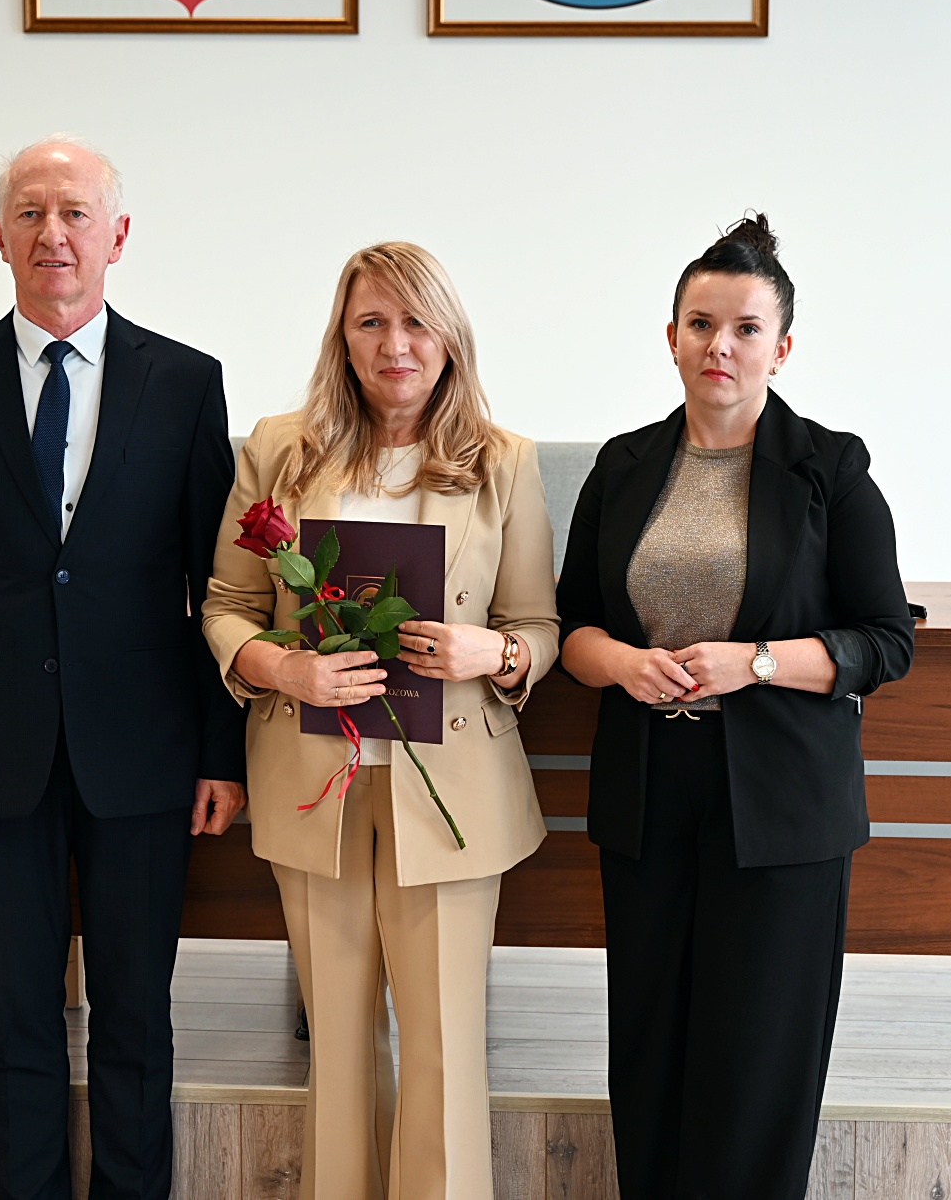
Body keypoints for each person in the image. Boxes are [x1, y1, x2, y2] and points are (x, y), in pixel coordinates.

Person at [0, 134, 247, 1200]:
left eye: (75, 212)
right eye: (30, 213)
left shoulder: (184, 383)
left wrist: (220, 753)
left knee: (136, 1015)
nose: (53, 234)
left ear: (116, 235)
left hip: (145, 755)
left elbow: (219, 590)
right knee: (15, 1015)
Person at [556, 214, 914, 1199]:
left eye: (746, 328)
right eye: (701, 323)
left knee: (755, 1062)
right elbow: (572, 625)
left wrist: (751, 662)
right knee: (650, 1053)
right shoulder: (623, 465)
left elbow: (883, 641)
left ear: (781, 347)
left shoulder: (830, 467)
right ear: (670, 337)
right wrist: (622, 663)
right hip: (647, 791)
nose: (720, 344)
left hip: (779, 800)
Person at [201, 242, 559, 1200]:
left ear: (448, 336)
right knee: (337, 1050)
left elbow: (537, 625)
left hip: (452, 794)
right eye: (370, 322)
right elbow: (226, 605)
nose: (393, 344)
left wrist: (496, 653)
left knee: (443, 1050)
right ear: (342, 336)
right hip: (314, 779)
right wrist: (284, 666)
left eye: (413, 322)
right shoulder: (278, 448)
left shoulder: (503, 461)